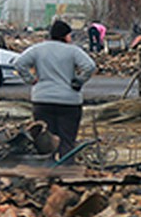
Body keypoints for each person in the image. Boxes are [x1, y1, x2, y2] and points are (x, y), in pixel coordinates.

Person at [13, 19, 98, 158]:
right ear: (65, 35)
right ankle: (66, 170)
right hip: (69, 103)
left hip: (42, 101)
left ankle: (48, 170)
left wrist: (31, 80)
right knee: (67, 140)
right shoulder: (73, 51)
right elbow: (90, 66)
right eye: (70, 35)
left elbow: (19, 63)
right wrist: (78, 81)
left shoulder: (38, 49)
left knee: (46, 141)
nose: (71, 39)